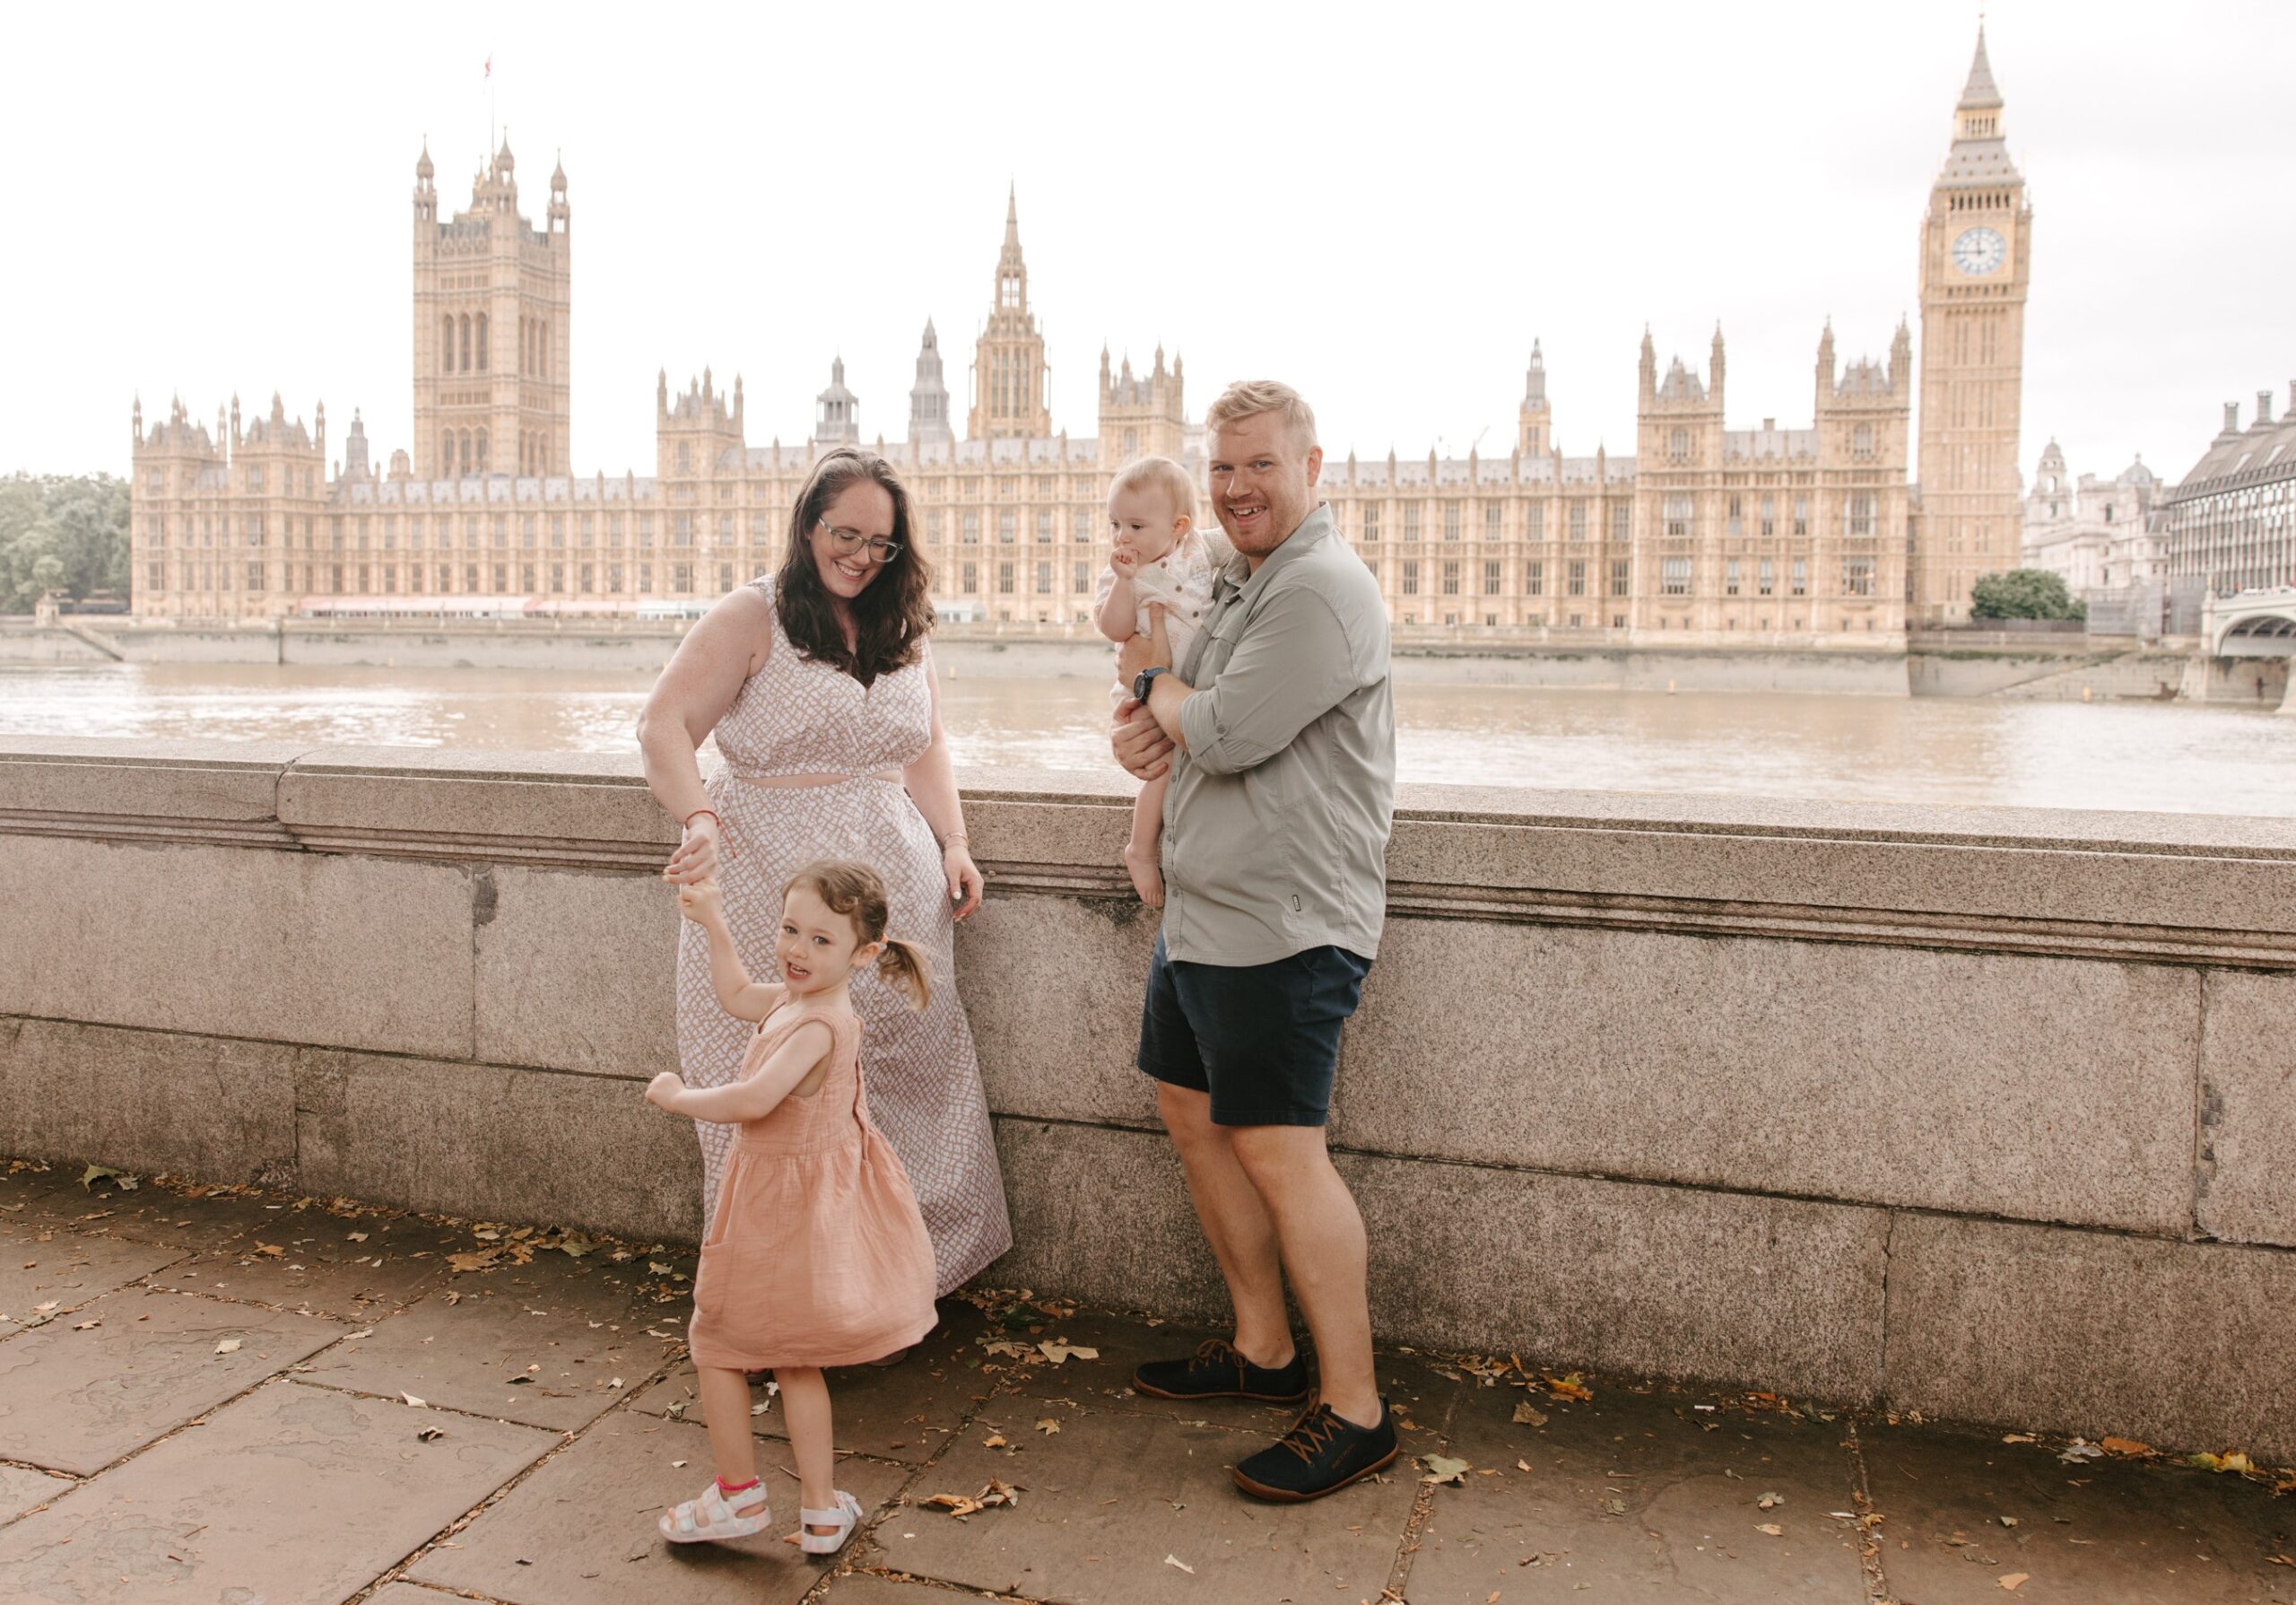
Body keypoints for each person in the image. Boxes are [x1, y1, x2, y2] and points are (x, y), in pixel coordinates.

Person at [1111, 379, 1398, 1502]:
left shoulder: (1320, 589)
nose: (1236, 488)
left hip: (1284, 920)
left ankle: (1357, 1409)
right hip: (1203, 909)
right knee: (1191, 1114)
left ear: (1312, 467)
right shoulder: (1237, 576)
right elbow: (1174, 707)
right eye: (1222, 468)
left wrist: (1160, 694)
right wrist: (1150, 720)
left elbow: (1220, 727)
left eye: (1260, 467)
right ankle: (1265, 1351)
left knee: (1282, 1148)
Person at [637, 446, 1011, 1301]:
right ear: (808, 526)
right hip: (778, 888)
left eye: (882, 544)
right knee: (777, 1088)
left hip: (894, 904)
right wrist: (699, 818)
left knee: (909, 1079)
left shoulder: (904, 626)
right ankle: (782, 1299)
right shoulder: (753, 615)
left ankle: (896, 1287)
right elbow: (663, 724)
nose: (861, 555)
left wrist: (953, 840)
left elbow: (926, 744)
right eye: (846, 533)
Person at [646, 861, 938, 1552]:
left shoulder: (819, 1026)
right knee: (794, 1356)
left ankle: (739, 1496)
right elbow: (739, 992)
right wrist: (714, 921)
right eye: (789, 930)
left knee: (716, 1341)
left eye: (820, 940)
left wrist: (677, 1096)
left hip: (774, 1209)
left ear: (865, 953)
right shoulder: (798, 1001)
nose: (797, 951)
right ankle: (820, 1510)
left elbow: (752, 1100)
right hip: (796, 1206)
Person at [1091, 454, 1214, 907]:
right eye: (1114, 524)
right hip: (1146, 692)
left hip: (1188, 688)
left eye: (1135, 527)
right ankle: (1141, 849)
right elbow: (1114, 628)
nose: (1122, 536)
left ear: (1180, 527)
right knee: (1162, 772)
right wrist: (1124, 582)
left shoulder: (1200, 550)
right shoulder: (1124, 573)